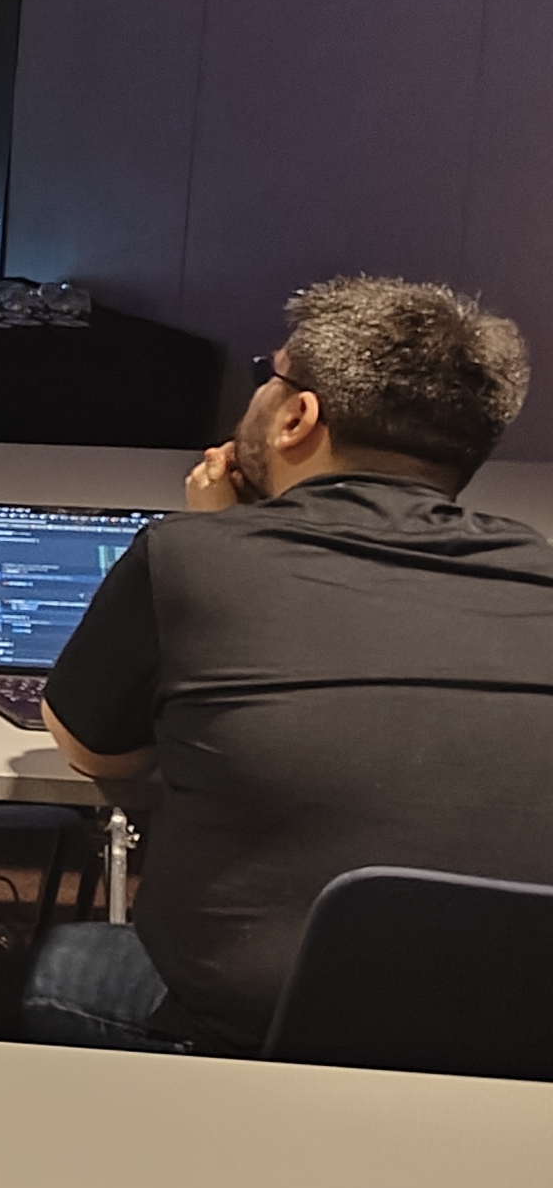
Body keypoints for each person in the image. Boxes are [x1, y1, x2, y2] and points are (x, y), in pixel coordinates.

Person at [29, 277, 553, 1055]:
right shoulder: (539, 572)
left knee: (60, 967)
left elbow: (93, 749)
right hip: (522, 1037)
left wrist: (222, 539)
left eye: (265, 376)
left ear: (297, 416)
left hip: (260, 1034)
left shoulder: (187, 559)